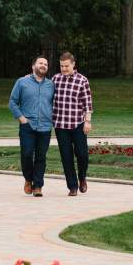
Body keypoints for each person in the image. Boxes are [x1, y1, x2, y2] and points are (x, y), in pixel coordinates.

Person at [8, 56, 54, 197]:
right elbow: (12, 102)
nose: (43, 65)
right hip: (28, 125)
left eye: (45, 64)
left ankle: (38, 185)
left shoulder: (51, 85)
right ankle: (28, 179)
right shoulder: (22, 82)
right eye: (40, 63)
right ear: (33, 65)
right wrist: (22, 119)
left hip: (45, 126)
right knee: (27, 154)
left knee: (41, 157)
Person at [52, 52, 93, 196]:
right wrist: (29, 77)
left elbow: (87, 104)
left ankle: (82, 178)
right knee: (66, 156)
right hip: (60, 125)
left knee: (82, 155)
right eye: (61, 66)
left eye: (66, 66)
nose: (63, 69)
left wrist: (87, 121)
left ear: (73, 64)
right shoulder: (55, 79)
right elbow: (42, 88)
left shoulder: (82, 80)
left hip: (77, 124)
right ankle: (72, 186)